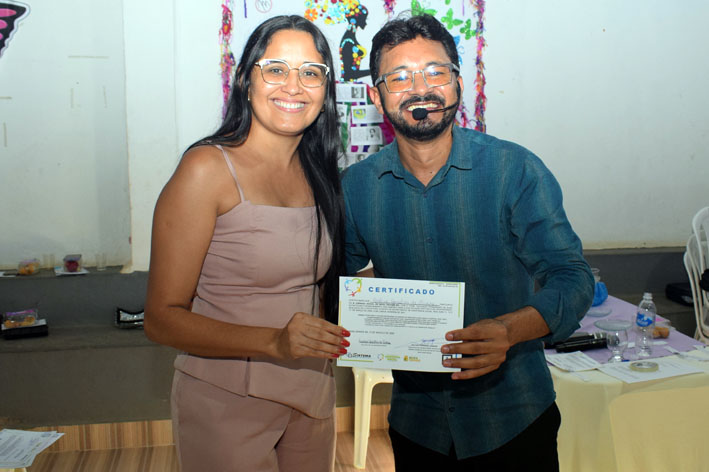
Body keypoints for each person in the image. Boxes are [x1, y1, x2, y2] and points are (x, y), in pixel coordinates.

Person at [341, 14, 594, 470]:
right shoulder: (356, 187)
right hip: (417, 424)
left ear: (458, 83)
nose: (421, 89)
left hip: (515, 417)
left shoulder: (516, 170)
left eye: (435, 72)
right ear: (377, 96)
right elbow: (329, 279)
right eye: (400, 77)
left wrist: (509, 330)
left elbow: (572, 278)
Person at [145, 15, 349, 472]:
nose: (293, 85)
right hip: (225, 400)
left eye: (311, 72)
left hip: (311, 392)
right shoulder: (206, 169)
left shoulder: (320, 174)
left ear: (325, 88)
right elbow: (161, 319)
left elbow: (314, 285)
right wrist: (274, 341)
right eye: (275, 68)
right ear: (245, 79)